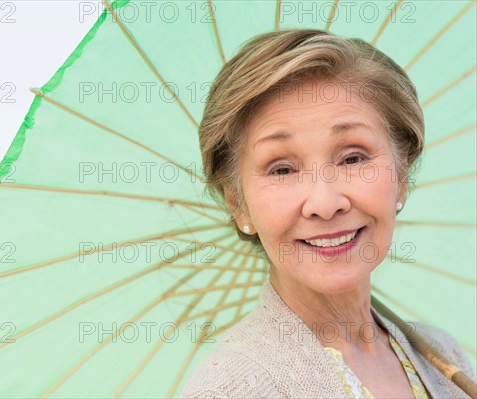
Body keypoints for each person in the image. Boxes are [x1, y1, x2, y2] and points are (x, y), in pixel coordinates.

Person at [180, 29, 475, 399]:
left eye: (353, 157)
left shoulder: (444, 359)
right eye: (282, 169)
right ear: (238, 203)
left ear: (401, 177)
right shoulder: (233, 388)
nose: (324, 202)